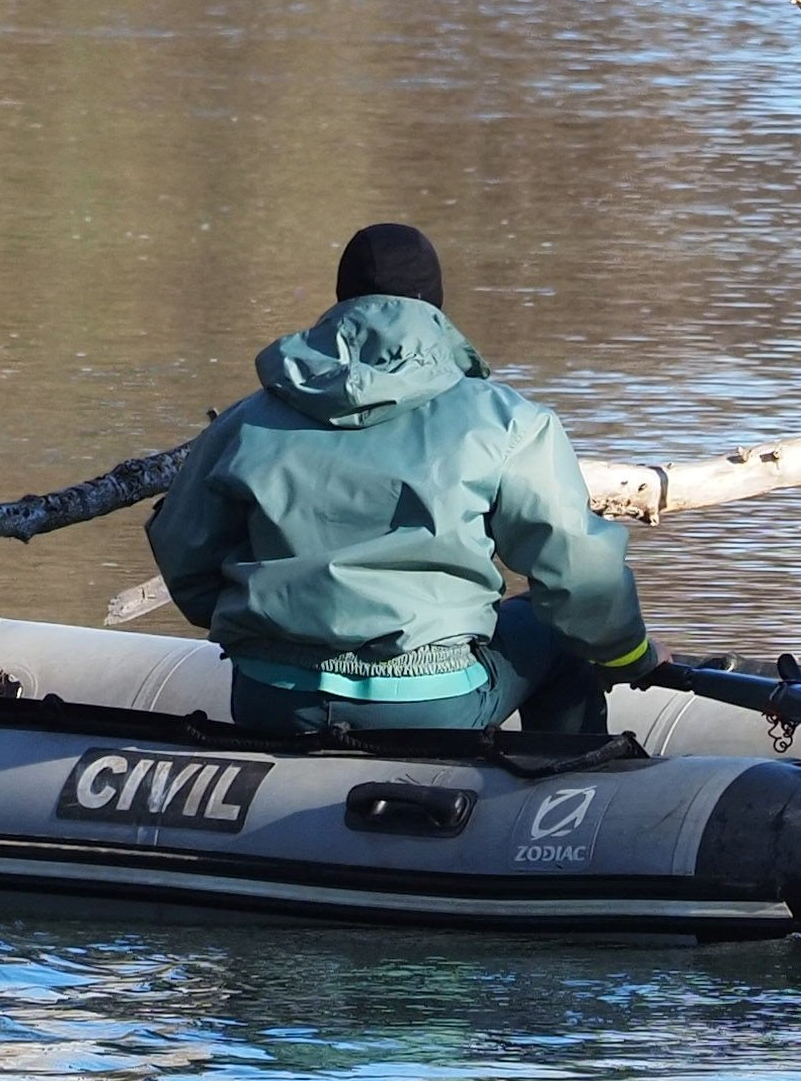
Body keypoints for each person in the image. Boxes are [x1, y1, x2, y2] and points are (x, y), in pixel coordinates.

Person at [151, 224, 656, 736]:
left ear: (341, 298)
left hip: (270, 700)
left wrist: (264, 635)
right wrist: (628, 654)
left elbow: (182, 548)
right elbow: (579, 574)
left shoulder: (246, 419)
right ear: (435, 306)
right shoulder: (506, 420)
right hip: (428, 700)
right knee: (559, 630)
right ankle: (564, 791)